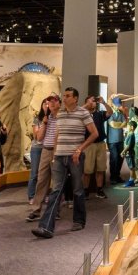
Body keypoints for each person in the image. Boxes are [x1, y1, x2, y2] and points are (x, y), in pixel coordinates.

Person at [32, 86, 98, 239]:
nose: (65, 98)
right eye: (64, 96)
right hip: (60, 156)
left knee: (77, 189)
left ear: (75, 98)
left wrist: (80, 149)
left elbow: (95, 133)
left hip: (75, 156)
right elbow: (57, 135)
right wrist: (55, 154)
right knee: (55, 190)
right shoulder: (60, 114)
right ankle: (46, 227)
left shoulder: (83, 113)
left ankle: (79, 220)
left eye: (68, 96)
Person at [27, 94, 62, 221]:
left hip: (58, 152)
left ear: (59, 103)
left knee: (56, 182)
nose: (51, 104)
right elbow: (39, 137)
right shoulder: (45, 119)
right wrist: (45, 121)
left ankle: (55, 210)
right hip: (45, 151)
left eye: (54, 101)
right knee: (41, 181)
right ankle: (36, 210)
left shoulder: (62, 117)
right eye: (49, 102)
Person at [83, 95, 108, 199]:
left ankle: (99, 190)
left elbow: (110, 112)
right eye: (92, 100)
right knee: (87, 170)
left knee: (101, 169)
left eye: (94, 101)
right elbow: (77, 110)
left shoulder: (99, 114)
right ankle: (85, 191)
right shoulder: (83, 114)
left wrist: (104, 103)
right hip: (89, 145)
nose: (94, 102)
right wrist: (86, 105)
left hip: (101, 144)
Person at [27, 99, 48, 204]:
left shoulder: (53, 118)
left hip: (47, 148)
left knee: (45, 174)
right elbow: (36, 136)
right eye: (45, 103)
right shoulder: (37, 119)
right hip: (37, 149)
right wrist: (44, 124)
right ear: (42, 105)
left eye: (49, 104)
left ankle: (43, 195)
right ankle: (31, 196)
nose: (47, 105)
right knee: (34, 173)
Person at [107, 99, 127, 184]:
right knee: (114, 158)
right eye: (117, 104)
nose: (119, 106)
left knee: (120, 158)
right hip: (112, 140)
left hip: (120, 139)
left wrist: (120, 123)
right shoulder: (109, 113)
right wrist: (120, 123)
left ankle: (117, 175)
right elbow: (112, 124)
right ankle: (112, 177)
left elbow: (125, 123)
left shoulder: (121, 114)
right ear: (113, 104)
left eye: (119, 104)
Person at [121, 120, 138, 187]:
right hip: (128, 153)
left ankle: (131, 181)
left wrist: (123, 151)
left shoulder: (131, 135)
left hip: (130, 153)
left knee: (131, 167)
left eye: (128, 126)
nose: (126, 127)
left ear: (131, 127)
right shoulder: (129, 134)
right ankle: (131, 180)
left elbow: (128, 146)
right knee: (130, 167)